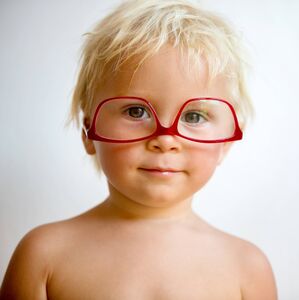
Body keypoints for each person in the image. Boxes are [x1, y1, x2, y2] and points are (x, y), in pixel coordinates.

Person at [0, 0, 277, 299]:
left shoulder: (247, 268)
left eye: (194, 117)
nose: (166, 139)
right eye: (135, 111)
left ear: (225, 142)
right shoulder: (43, 256)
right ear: (88, 132)